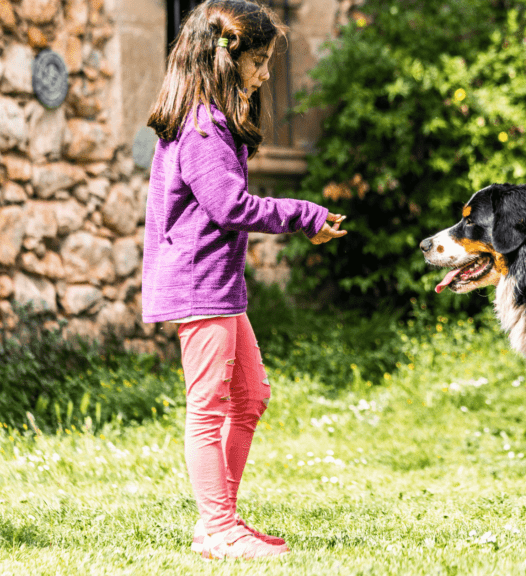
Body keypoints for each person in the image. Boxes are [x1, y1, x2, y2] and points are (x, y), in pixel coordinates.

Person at [142, 0, 346, 560]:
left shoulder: (211, 120)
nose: (262, 76)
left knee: (251, 396)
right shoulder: (204, 126)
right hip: (199, 285)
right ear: (225, 61)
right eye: (258, 63)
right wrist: (304, 215)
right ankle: (216, 527)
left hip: (218, 286)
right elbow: (231, 206)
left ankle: (223, 521)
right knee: (208, 407)